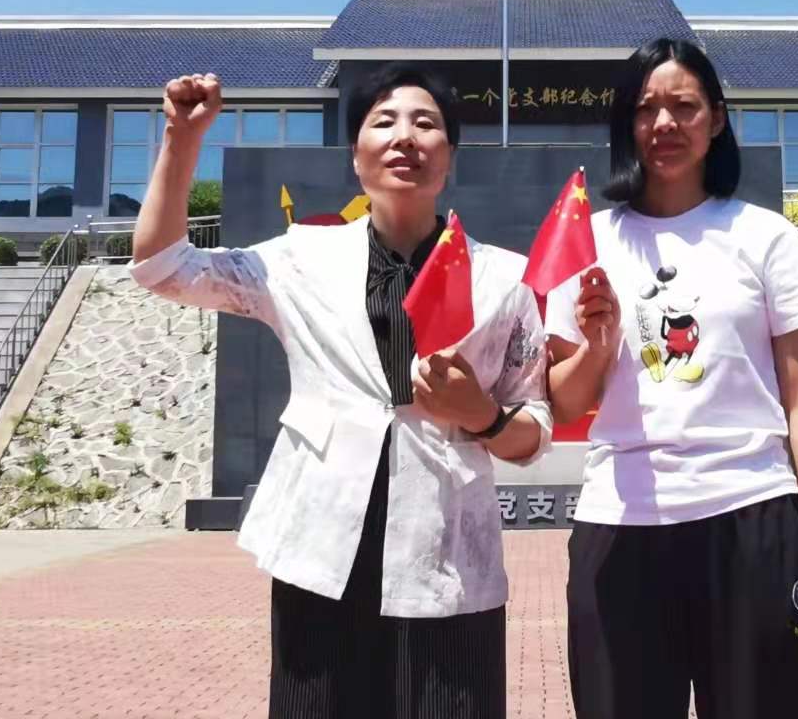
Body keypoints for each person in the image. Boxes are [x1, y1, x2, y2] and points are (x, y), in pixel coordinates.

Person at [130, 64, 551, 719]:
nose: (404, 136)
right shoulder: (300, 259)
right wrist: (182, 141)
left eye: (426, 123)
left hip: (448, 555)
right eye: (384, 122)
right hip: (323, 546)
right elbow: (163, 268)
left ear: (449, 156)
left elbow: (532, 432)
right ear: (356, 156)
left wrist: (484, 415)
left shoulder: (505, 280)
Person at [545, 38, 798, 719]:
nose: (664, 123)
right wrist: (598, 344)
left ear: (715, 119)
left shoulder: (763, 236)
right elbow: (565, 400)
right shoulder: (591, 241)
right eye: (645, 108)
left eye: (683, 106)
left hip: (750, 513)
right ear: (626, 124)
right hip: (620, 522)